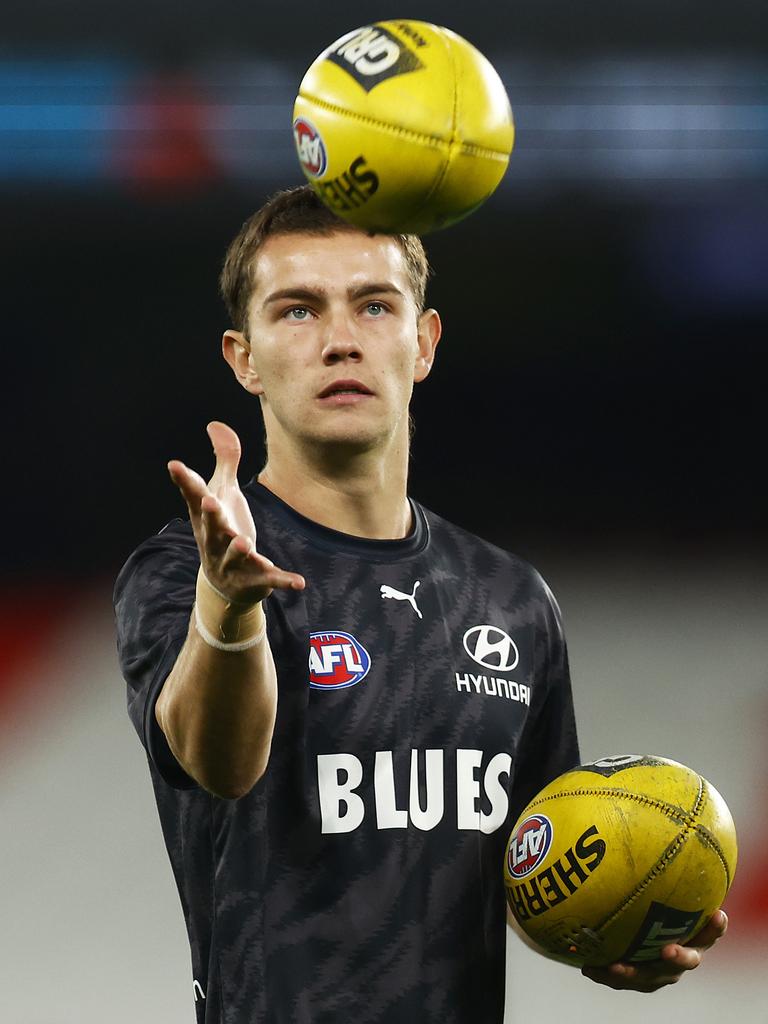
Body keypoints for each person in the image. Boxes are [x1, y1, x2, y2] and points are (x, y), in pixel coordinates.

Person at [114, 185, 726, 1024]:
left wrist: (613, 929)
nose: (338, 341)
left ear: (424, 340)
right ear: (243, 356)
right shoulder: (182, 569)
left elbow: (538, 869)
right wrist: (226, 605)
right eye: (297, 311)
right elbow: (218, 764)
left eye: (373, 305)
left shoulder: (512, 601)